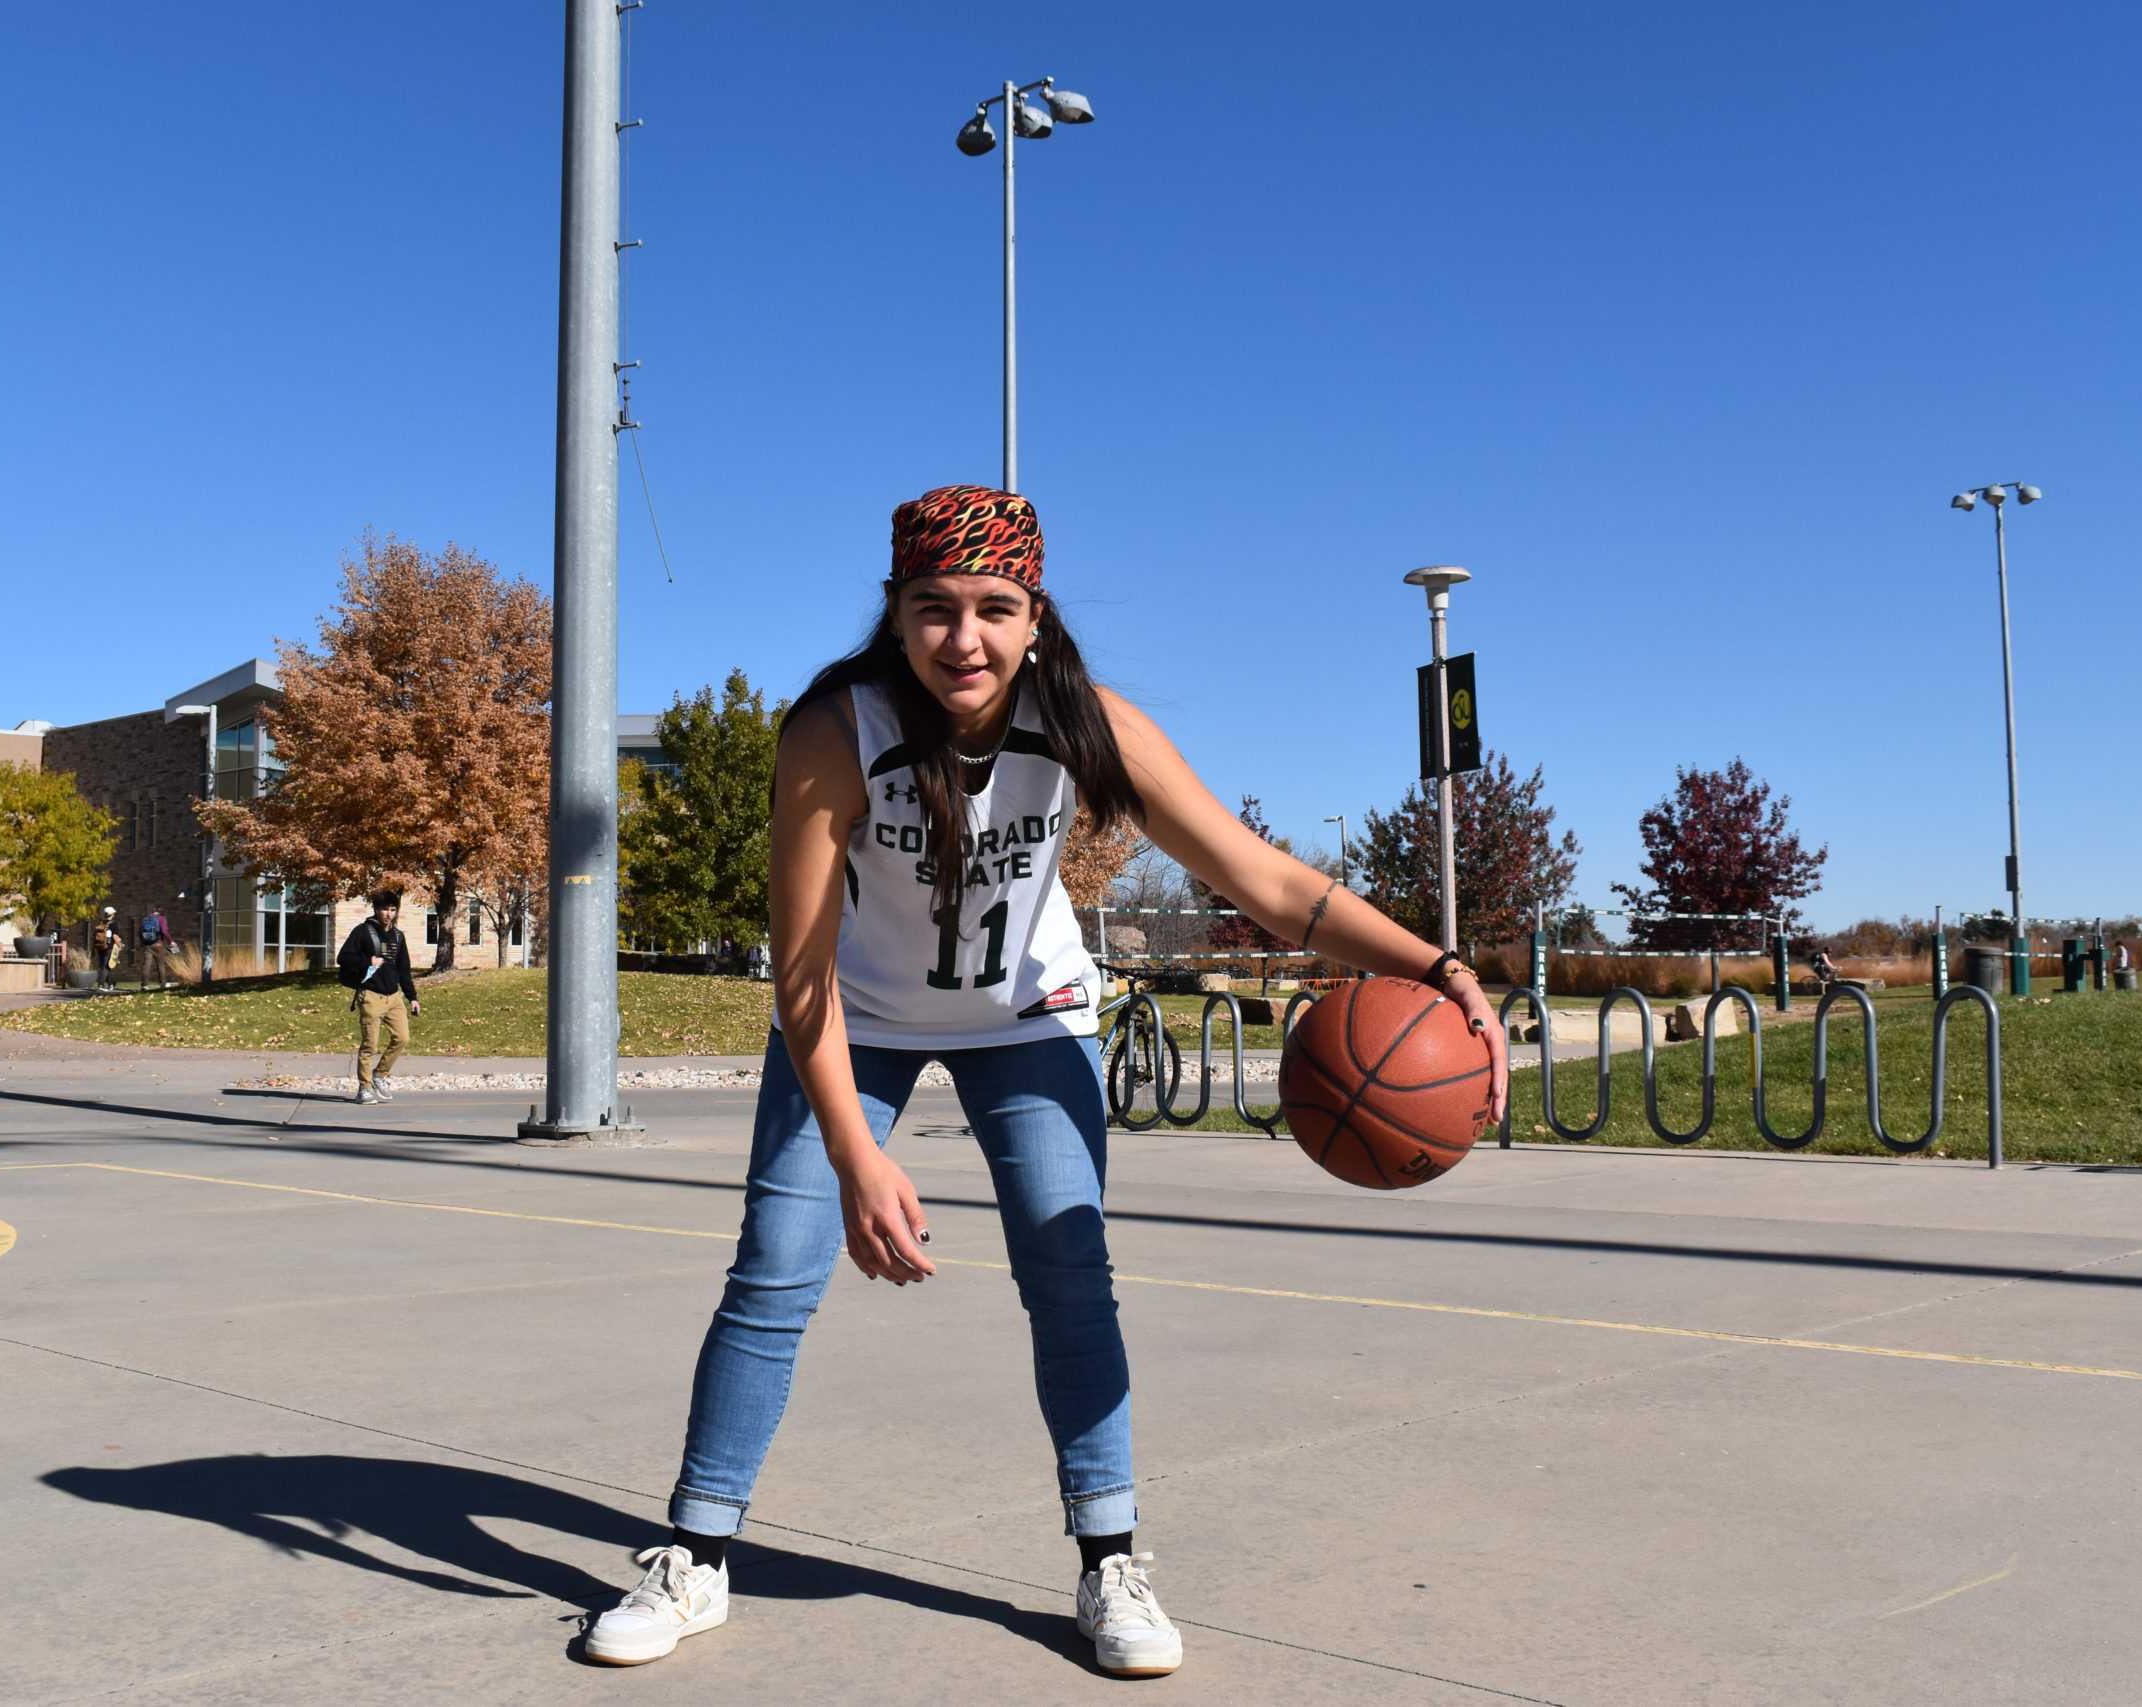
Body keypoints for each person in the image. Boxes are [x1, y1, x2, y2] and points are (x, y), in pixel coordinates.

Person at [583, 484, 1507, 1677]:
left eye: (992, 608)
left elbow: (1260, 880)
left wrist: (1432, 963)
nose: (961, 638)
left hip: (1027, 1017)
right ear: (895, 612)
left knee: (1070, 1278)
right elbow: (801, 972)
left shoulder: (1087, 726)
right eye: (933, 609)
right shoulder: (835, 728)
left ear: (1034, 617)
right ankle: (693, 1556)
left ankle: (1109, 1561)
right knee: (774, 1268)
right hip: (851, 1017)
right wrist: (860, 1159)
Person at [336, 890, 420, 1104]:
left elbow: (404, 970)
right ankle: (363, 1089)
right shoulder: (363, 931)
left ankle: (380, 1075)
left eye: (393, 909)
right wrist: (367, 962)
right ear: (376, 909)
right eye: (384, 909)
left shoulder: (398, 936)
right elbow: (343, 957)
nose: (388, 914)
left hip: (394, 997)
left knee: (402, 1038)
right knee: (369, 1045)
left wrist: (412, 997)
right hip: (371, 996)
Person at [137, 904, 175, 989]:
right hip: (158, 944)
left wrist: (143, 942)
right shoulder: (161, 919)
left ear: (153, 911)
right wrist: (170, 941)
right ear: (160, 911)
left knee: (146, 965)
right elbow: (164, 931)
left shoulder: (145, 919)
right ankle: (163, 984)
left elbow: (139, 932)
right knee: (160, 964)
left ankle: (144, 985)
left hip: (147, 945)